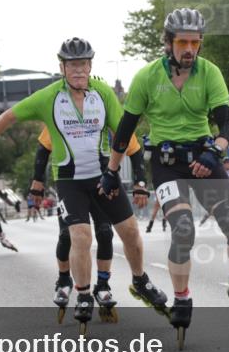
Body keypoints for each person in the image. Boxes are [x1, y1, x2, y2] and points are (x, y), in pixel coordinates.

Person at [0, 38, 167, 330]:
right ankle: (83, 293)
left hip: (103, 176)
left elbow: (123, 134)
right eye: (72, 65)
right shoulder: (49, 97)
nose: (79, 70)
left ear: (90, 65)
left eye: (83, 64)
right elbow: (7, 117)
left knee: (131, 232)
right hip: (70, 182)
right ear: (62, 68)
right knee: (81, 237)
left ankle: (140, 281)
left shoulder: (103, 93)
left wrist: (140, 179)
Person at [105, 8, 229, 348]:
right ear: (168, 43)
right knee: (183, 230)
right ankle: (182, 297)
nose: (189, 49)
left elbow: (227, 124)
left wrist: (216, 151)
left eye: (195, 43)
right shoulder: (146, 78)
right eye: (182, 42)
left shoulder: (209, 72)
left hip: (204, 157)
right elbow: (125, 132)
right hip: (168, 164)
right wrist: (112, 172)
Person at [30, 124, 149, 322]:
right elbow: (43, 149)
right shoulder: (61, 111)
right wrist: (37, 182)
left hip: (101, 182)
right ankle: (64, 279)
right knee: (68, 235)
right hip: (70, 183)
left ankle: (102, 285)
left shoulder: (103, 109)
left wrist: (140, 181)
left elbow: (132, 145)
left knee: (105, 232)